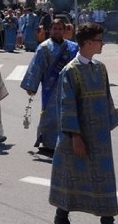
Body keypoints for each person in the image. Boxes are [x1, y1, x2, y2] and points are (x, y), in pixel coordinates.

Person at [50, 22, 118, 224]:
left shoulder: (100, 68)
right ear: (88, 42)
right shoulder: (70, 71)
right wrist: (75, 136)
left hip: (99, 138)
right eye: (99, 40)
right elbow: (65, 106)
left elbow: (107, 98)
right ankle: (61, 217)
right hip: (77, 138)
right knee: (72, 178)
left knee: (104, 180)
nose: (102, 43)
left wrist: (108, 124)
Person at [21, 17, 79, 155]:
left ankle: (67, 141)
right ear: (50, 30)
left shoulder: (72, 47)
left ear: (64, 30)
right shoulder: (44, 47)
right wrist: (31, 86)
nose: (57, 31)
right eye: (55, 28)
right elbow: (36, 66)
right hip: (50, 88)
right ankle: (48, 142)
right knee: (50, 114)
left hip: (69, 87)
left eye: (60, 29)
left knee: (68, 113)